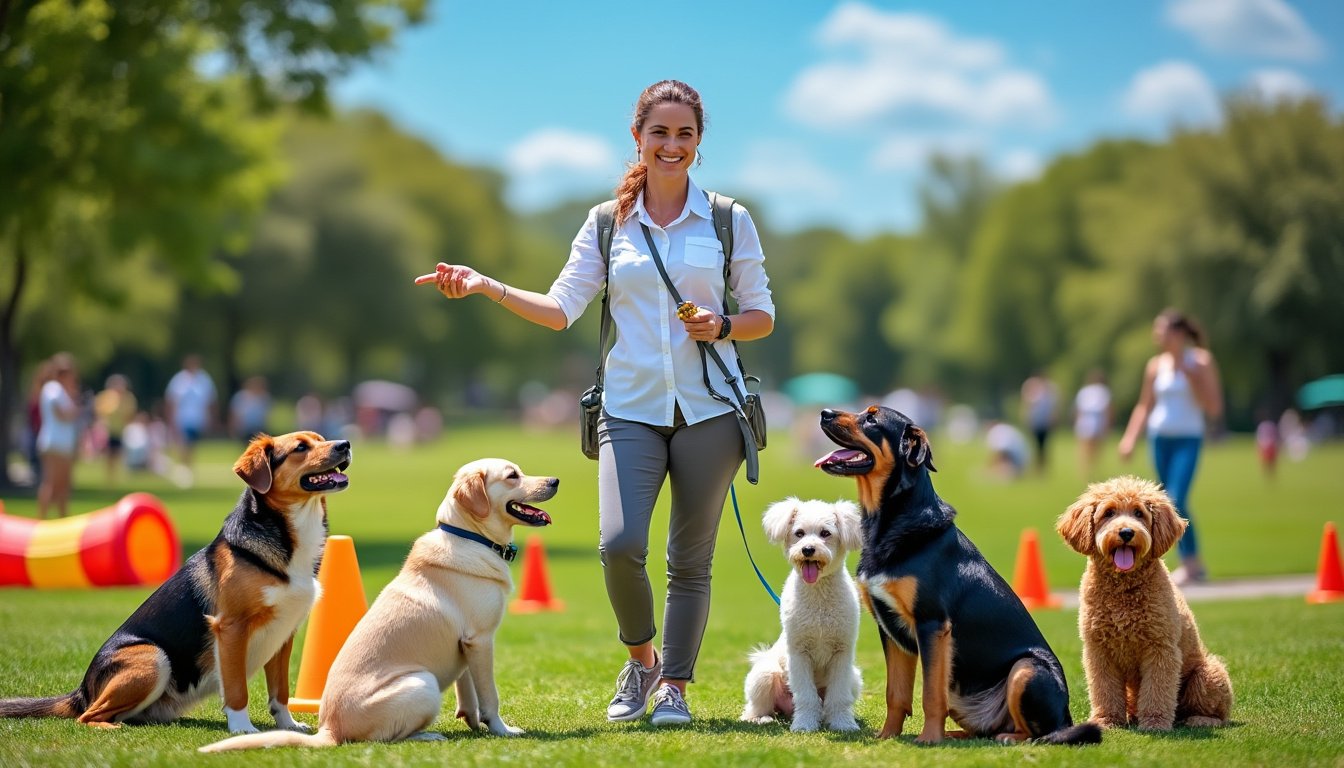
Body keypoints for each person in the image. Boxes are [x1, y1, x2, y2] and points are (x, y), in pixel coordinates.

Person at [415, 80, 774, 727]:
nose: (672, 145)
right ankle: (643, 662)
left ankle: (676, 692)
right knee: (619, 544)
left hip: (711, 411)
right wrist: (483, 284)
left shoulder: (727, 219)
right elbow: (559, 310)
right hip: (629, 408)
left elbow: (762, 315)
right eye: (660, 133)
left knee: (690, 563)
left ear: (699, 141)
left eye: (685, 134)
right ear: (638, 137)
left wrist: (721, 324)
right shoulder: (608, 222)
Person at [1119, 308, 1223, 585]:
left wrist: (1192, 377)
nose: (1157, 336)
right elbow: (1145, 405)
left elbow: (1214, 407)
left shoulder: (1200, 361)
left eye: (1161, 330)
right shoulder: (1155, 365)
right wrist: (1130, 437)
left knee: (1177, 499)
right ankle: (1180, 563)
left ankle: (1192, 564)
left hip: (1188, 438)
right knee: (1163, 504)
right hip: (1159, 439)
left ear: (1177, 333)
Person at [37, 353, 81, 519]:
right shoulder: (53, 388)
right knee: (52, 484)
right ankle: (42, 519)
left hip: (63, 444)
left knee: (64, 486)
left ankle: (63, 519)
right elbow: (61, 413)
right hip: (54, 442)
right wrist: (74, 411)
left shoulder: (62, 391)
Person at [164, 354, 217, 483]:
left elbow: (210, 400)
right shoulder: (178, 380)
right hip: (182, 418)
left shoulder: (204, 380)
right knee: (184, 443)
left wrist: (211, 418)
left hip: (198, 419)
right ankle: (185, 469)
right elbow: (171, 401)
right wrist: (170, 419)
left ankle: (186, 468)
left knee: (191, 445)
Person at [94, 374, 138, 484]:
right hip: (108, 430)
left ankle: (115, 476)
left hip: (121, 430)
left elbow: (130, 414)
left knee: (118, 453)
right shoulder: (106, 397)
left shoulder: (128, 398)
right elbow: (100, 412)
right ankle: (110, 477)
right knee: (109, 454)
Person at [1072, 369, 1112, 478]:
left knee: (1090, 447)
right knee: (1090, 447)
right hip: (1092, 419)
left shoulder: (1087, 391)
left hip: (1092, 419)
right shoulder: (1101, 391)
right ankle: (1089, 469)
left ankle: (1089, 469)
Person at [1020, 371, 1058, 476]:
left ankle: (1043, 469)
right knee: (1035, 446)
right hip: (1035, 421)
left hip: (1044, 422)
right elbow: (1027, 404)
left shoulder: (1050, 390)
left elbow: (1052, 406)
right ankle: (1037, 468)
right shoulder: (1032, 389)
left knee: (1044, 447)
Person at [229, 375, 272, 443]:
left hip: (259, 428)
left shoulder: (265, 398)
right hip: (245, 429)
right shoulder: (241, 397)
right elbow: (235, 415)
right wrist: (233, 430)